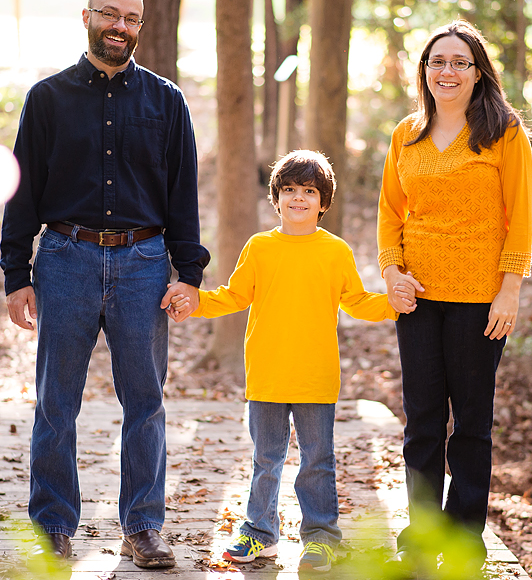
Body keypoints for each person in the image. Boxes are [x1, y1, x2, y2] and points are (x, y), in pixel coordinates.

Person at [0, 0, 209, 569]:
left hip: (145, 263)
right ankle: (53, 525)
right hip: (65, 260)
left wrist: (188, 272)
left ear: (142, 26)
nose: (120, 26)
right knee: (55, 401)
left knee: (145, 401)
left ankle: (143, 527)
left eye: (132, 18)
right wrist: (17, 274)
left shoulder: (167, 102)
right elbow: (24, 191)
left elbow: (182, 195)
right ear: (87, 16)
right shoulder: (47, 99)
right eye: (110, 14)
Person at [170, 150, 414, 574]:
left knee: (318, 460)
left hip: (316, 376)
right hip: (266, 373)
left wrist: (392, 306)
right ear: (276, 198)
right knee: (267, 459)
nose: (298, 198)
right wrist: (195, 302)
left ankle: (321, 537)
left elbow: (356, 301)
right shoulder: (260, 247)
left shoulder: (334, 251)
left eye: (308, 191)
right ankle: (259, 533)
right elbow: (233, 295)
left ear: (323, 202)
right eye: (289, 190)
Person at [377, 20, 532, 570]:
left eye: (459, 62)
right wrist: (392, 272)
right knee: (421, 422)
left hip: (479, 300)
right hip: (417, 298)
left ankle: (465, 541)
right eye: (437, 61)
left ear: (477, 72)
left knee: (470, 423)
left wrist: (510, 289)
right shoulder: (407, 133)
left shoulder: (504, 133)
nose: (447, 71)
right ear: (424, 71)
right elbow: (390, 212)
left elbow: (521, 217)